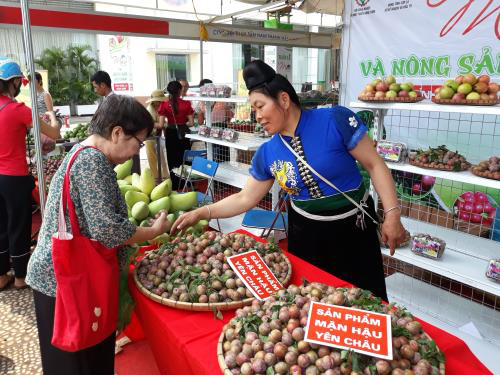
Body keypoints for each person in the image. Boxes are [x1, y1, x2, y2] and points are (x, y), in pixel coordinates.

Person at [172, 60, 407, 300]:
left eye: (260, 106)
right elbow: (245, 198)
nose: (258, 116)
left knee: (367, 302)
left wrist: (392, 214)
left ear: (284, 100)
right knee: (313, 304)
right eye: (254, 110)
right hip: (306, 236)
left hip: (353, 230)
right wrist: (202, 213)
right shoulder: (268, 152)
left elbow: (375, 164)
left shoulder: (335, 120)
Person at [26, 95, 170, 374]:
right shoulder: (92, 163)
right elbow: (108, 230)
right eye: (137, 143)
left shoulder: (85, 153)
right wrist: (153, 231)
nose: (135, 152)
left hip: (61, 278)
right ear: (117, 133)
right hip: (63, 283)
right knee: (78, 362)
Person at [0, 58, 61, 291]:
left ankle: (1, 274)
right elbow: (53, 134)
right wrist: (52, 116)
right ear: (14, 82)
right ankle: (20, 277)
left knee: (1, 226)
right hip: (15, 177)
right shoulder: (18, 110)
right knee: (18, 225)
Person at [158, 80, 194, 189]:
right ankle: (186, 183)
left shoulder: (164, 105)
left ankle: (175, 185)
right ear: (180, 90)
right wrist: (182, 124)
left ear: (168, 91)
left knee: (172, 160)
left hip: (170, 134)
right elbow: (191, 123)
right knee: (185, 158)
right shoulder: (186, 104)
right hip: (183, 134)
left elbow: (160, 125)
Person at [145, 89, 169, 180]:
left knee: (162, 159)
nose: (161, 102)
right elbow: (149, 124)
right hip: (150, 137)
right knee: (153, 160)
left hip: (157, 137)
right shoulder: (150, 110)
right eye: (159, 101)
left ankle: (164, 177)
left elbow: (161, 124)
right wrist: (161, 125)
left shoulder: (158, 108)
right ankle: (156, 179)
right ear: (154, 101)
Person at [34, 72, 58, 154]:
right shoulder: (34, 95)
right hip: (38, 125)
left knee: (46, 149)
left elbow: (50, 112)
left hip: (45, 124)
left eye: (34, 81)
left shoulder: (45, 94)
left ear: (40, 81)